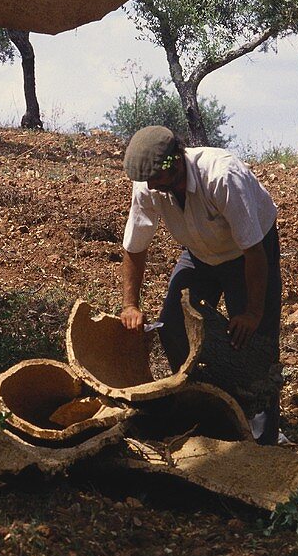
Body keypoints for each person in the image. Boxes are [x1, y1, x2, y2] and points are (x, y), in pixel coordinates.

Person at [118, 125, 283, 445]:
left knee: (253, 344)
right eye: (146, 179)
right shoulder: (149, 184)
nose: (150, 185)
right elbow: (134, 248)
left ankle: (263, 441)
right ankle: (206, 407)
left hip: (247, 254)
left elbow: (254, 252)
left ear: (176, 160)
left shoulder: (222, 176)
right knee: (172, 323)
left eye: (156, 177)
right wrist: (130, 304)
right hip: (199, 254)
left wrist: (251, 312)